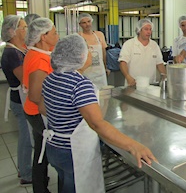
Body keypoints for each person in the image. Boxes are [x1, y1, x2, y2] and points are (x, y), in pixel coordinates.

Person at [40, 34, 157, 193]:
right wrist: (133, 145)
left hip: (54, 146)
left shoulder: (51, 78)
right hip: (73, 152)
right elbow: (97, 124)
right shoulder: (80, 84)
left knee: (66, 184)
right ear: (80, 56)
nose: (90, 54)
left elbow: (43, 107)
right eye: (87, 50)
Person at [23, 18, 59, 193]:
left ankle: (40, 185)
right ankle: (40, 188)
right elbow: (36, 96)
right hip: (38, 113)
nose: (57, 35)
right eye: (54, 33)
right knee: (43, 152)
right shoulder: (39, 60)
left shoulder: (42, 52)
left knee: (40, 150)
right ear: (43, 37)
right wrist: (55, 114)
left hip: (35, 111)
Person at [1, 15, 32, 186]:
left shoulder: (20, 49)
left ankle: (24, 167)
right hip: (20, 100)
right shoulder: (11, 53)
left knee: (27, 136)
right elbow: (25, 79)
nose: (26, 30)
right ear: (12, 31)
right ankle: (26, 173)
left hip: (23, 97)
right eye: (24, 27)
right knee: (26, 137)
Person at [118, 19, 166, 86]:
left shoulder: (154, 45)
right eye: (146, 29)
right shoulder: (129, 44)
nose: (149, 32)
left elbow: (160, 64)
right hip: (133, 84)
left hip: (150, 85)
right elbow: (123, 63)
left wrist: (165, 78)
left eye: (150, 29)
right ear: (139, 30)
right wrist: (128, 77)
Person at [78, 13, 108, 90]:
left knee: (103, 94)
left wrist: (105, 67)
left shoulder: (99, 34)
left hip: (100, 72)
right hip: (86, 73)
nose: (87, 24)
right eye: (84, 23)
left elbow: (103, 52)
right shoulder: (78, 37)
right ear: (80, 24)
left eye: (88, 21)